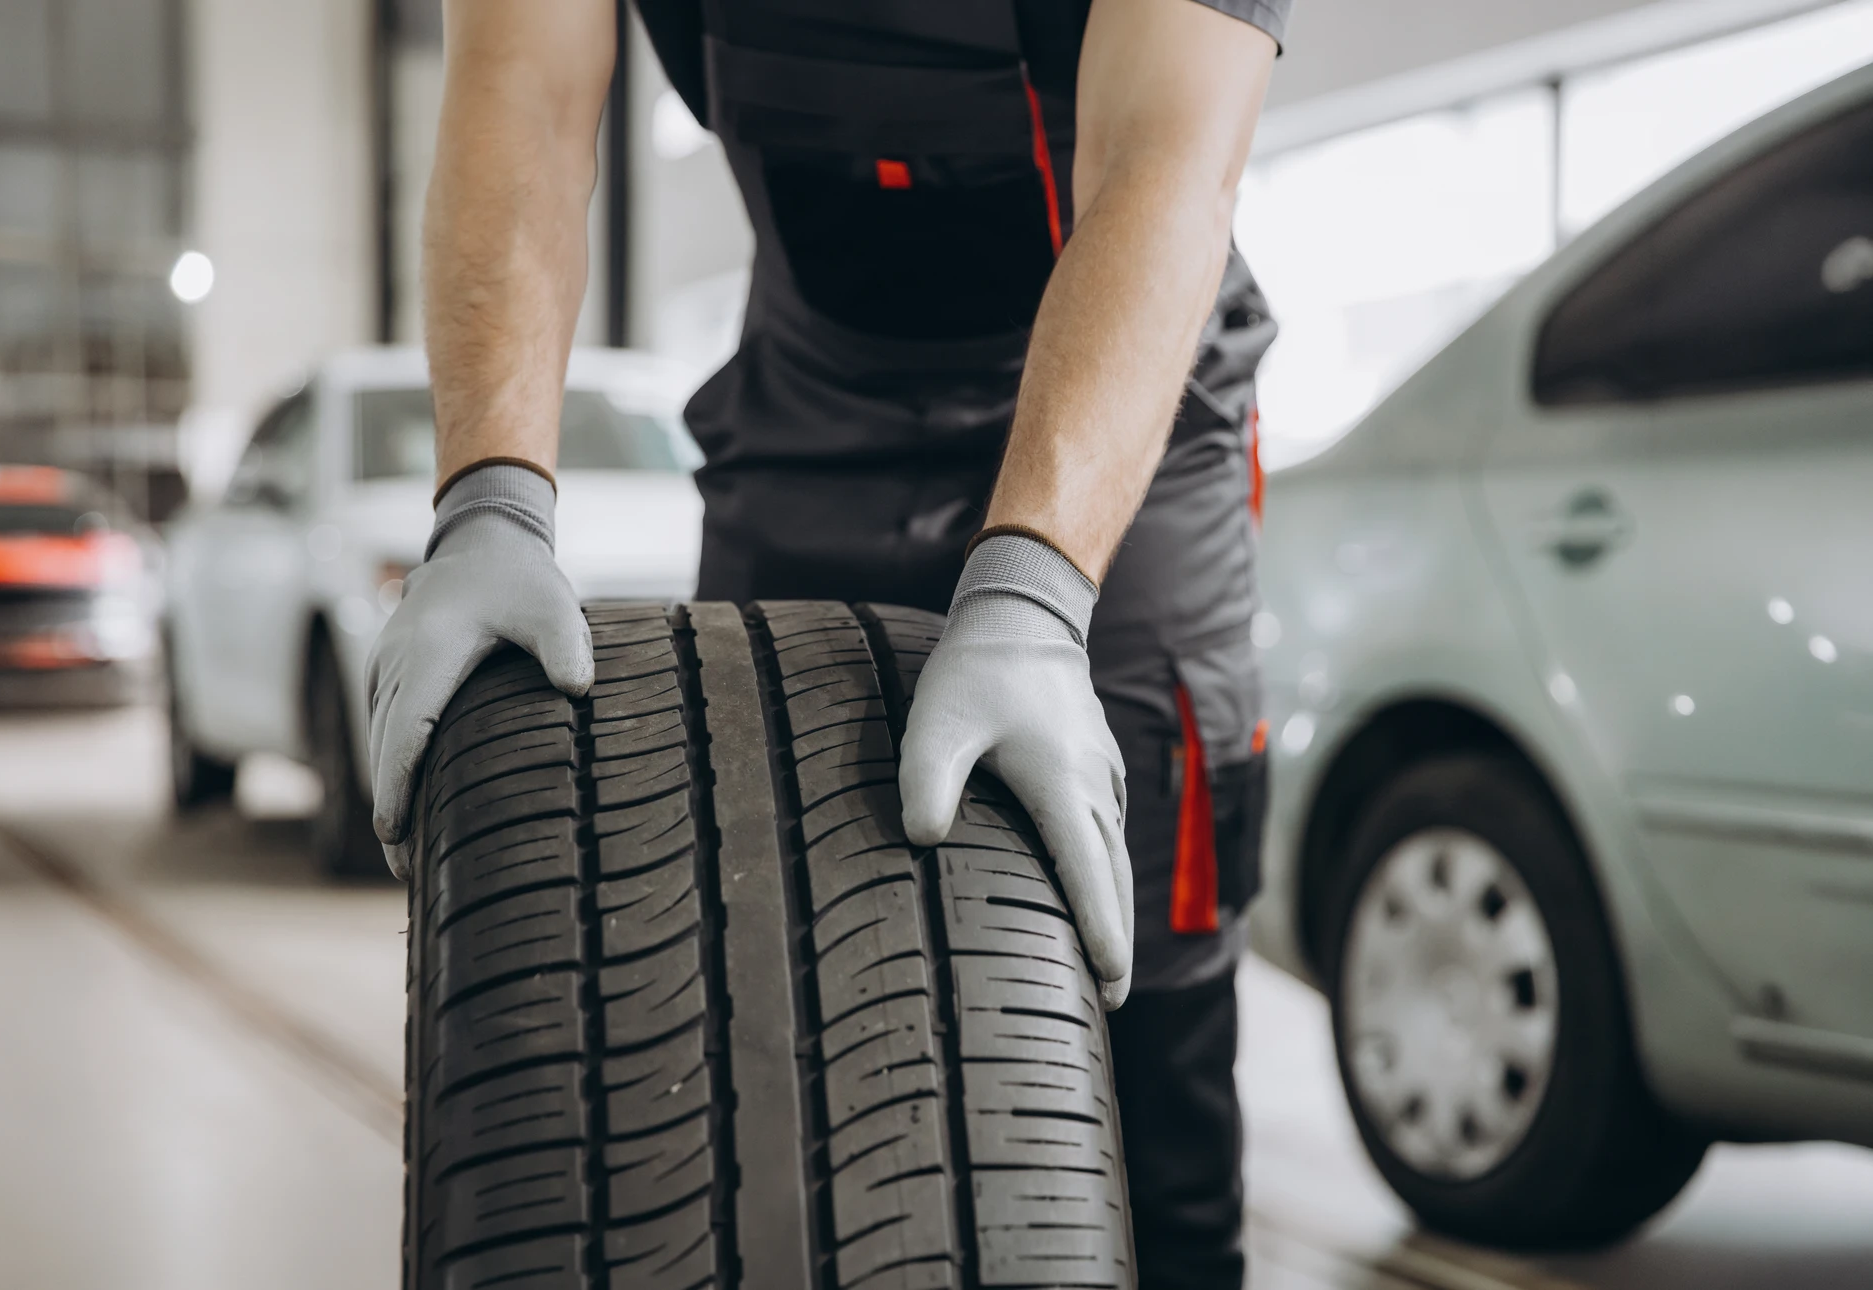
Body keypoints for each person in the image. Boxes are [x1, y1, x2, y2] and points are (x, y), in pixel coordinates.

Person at [368, 1, 1288, 1285]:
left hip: (1136, 389)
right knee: (736, 944)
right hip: (816, 391)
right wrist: (491, 499)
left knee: (1141, 982)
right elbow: (520, 92)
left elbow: (1164, 162)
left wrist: (1034, 588)